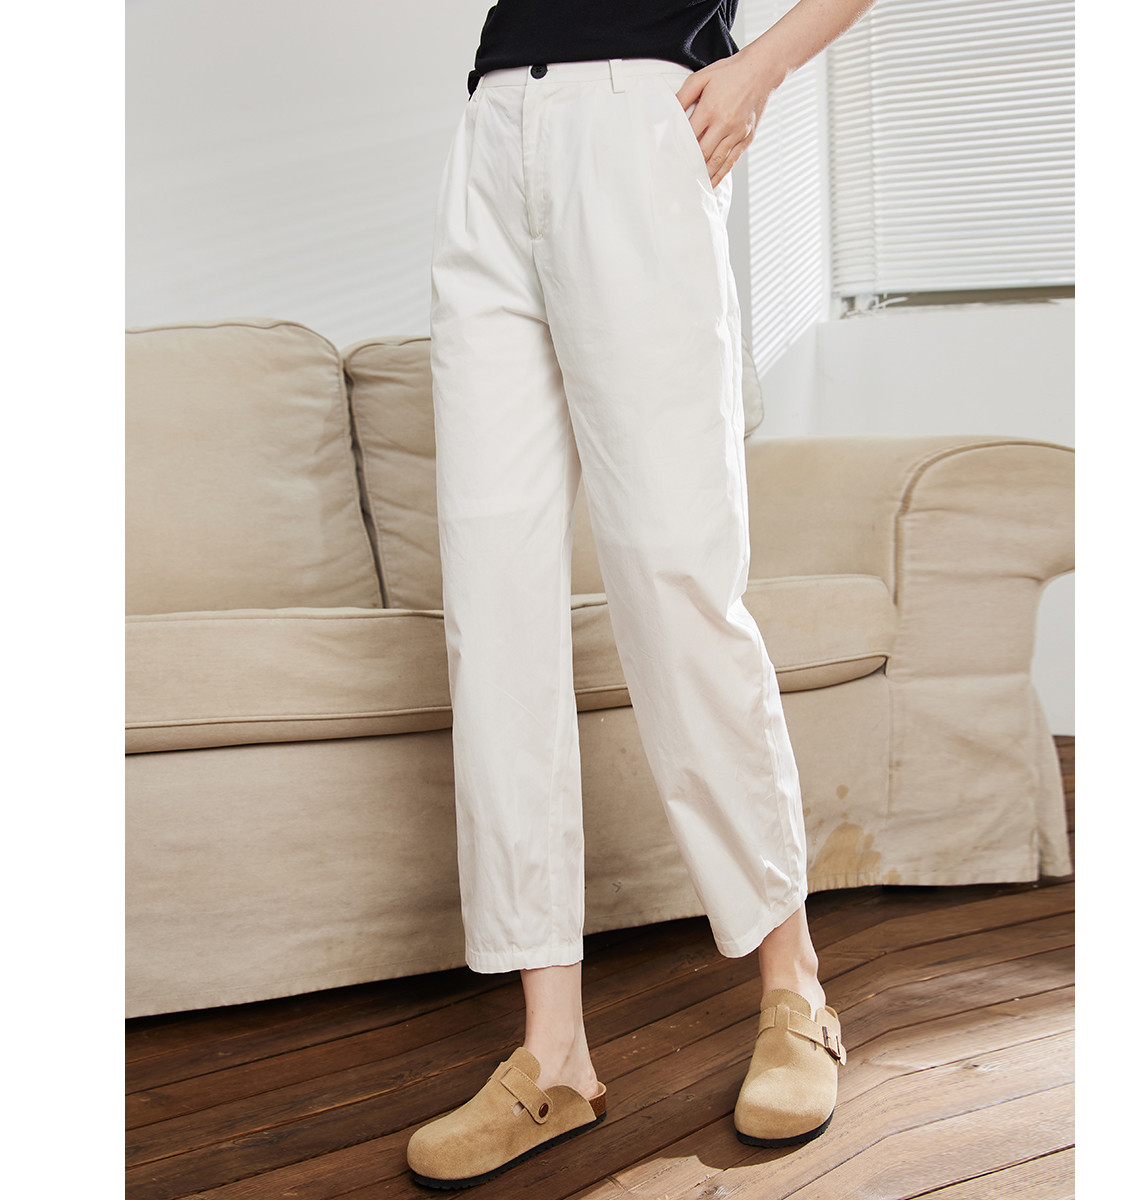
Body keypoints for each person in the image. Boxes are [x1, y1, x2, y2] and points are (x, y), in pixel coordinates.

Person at [408, 0, 876, 1188]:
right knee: (493, 605)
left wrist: (761, 68)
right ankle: (553, 1056)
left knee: (676, 580)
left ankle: (795, 991)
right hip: (494, 126)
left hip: (639, 121)